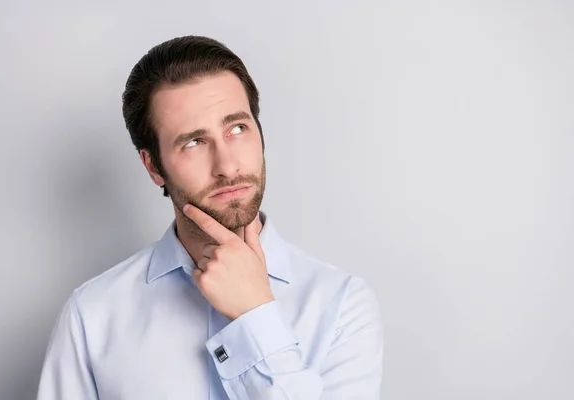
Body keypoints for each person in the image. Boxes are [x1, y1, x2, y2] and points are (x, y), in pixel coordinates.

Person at [37, 35, 383, 400]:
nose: (227, 165)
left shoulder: (341, 305)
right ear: (154, 166)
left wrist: (255, 313)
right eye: (194, 142)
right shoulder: (91, 316)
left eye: (237, 129)